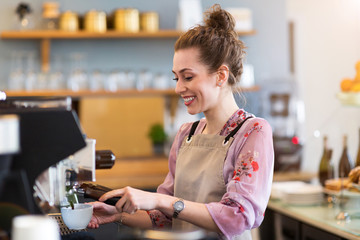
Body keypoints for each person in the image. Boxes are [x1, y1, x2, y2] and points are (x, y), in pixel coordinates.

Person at [87, 4, 274, 240]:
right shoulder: (187, 133)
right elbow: (165, 216)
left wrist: (159, 199)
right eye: (176, 78)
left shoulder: (253, 132)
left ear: (221, 76)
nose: (178, 87)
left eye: (188, 77)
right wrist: (116, 214)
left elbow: (238, 216)